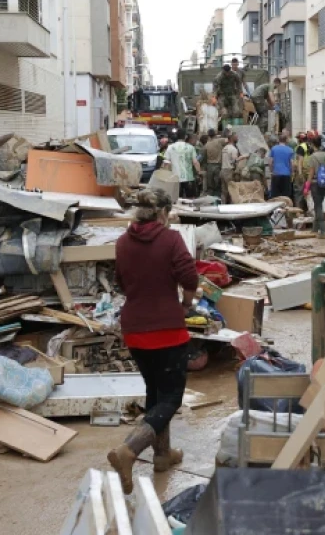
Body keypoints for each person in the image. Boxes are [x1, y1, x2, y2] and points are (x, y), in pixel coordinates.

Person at [108, 189, 198, 495]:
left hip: (135, 328)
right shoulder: (170, 239)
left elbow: (120, 280)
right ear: (162, 213)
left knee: (156, 391)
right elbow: (189, 276)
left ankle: (162, 455)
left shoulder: (122, 242)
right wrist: (186, 302)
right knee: (171, 398)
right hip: (167, 329)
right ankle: (129, 450)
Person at [303, 144, 325, 238]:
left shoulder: (312, 157)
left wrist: (306, 187)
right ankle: (315, 229)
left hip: (315, 184)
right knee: (318, 205)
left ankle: (323, 231)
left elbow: (311, 173)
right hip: (324, 183)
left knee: (318, 206)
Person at [163, 133, 201, 199]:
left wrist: (166, 176)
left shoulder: (170, 147)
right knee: (190, 198)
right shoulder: (190, 147)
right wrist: (199, 173)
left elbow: (166, 163)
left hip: (175, 178)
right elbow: (195, 162)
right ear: (185, 137)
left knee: (176, 198)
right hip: (188, 178)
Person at [270, 132, 295, 199]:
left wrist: (271, 171)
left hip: (276, 174)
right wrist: (292, 172)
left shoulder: (273, 149)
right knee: (286, 195)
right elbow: (292, 163)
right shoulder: (290, 150)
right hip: (286, 175)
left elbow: (271, 162)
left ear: (278, 140)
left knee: (275, 195)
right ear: (286, 140)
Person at [220, 131, 240, 205]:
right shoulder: (233, 149)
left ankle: (223, 205)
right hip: (229, 171)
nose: (237, 138)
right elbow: (235, 161)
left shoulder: (224, 148)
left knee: (224, 191)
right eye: (236, 137)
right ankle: (232, 206)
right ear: (232, 138)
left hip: (222, 171)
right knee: (232, 190)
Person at [203, 129, 224, 197]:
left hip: (209, 166)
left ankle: (211, 199)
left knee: (210, 185)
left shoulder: (207, 144)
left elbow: (204, 156)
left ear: (208, 135)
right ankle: (217, 198)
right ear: (215, 134)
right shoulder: (219, 141)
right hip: (218, 166)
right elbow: (228, 139)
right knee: (218, 184)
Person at [294, 133, 312, 210]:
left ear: (300, 139)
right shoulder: (310, 146)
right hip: (309, 171)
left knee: (299, 192)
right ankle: (308, 209)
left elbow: (300, 161)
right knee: (308, 191)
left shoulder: (301, 147)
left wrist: (300, 173)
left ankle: (299, 211)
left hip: (302, 172)